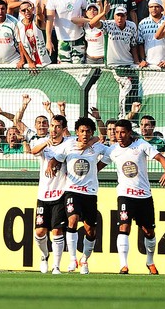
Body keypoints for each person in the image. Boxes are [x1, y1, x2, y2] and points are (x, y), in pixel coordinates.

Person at [102, 119, 165, 275]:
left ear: (129, 132)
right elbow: (98, 166)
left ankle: (150, 261)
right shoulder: (112, 150)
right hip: (125, 195)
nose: (118, 135)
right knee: (124, 227)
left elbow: (161, 158)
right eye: (116, 132)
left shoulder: (141, 145)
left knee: (149, 231)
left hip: (144, 195)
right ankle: (123, 265)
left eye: (122, 132)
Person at [46, 117, 107, 275]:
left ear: (92, 132)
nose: (85, 134)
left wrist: (97, 168)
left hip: (90, 193)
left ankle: (84, 259)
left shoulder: (98, 147)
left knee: (90, 230)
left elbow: (110, 154)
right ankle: (72, 258)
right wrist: (50, 166)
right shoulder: (69, 145)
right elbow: (56, 157)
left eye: (88, 131)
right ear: (77, 132)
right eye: (82, 131)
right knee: (72, 220)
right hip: (72, 190)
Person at [31, 114, 69, 275]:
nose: (53, 129)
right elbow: (33, 151)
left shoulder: (69, 143)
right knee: (39, 231)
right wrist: (46, 143)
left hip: (60, 193)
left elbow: (92, 139)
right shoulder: (43, 142)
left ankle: (56, 266)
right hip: (43, 194)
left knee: (57, 231)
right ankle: (44, 255)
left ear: (63, 129)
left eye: (57, 126)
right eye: (52, 126)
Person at [45, 0, 87, 64]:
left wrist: (83, 21)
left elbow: (85, 12)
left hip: (78, 38)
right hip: (62, 40)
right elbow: (49, 20)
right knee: (65, 69)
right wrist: (48, 40)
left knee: (80, 68)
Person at [137, 0, 165, 68]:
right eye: (151, 7)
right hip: (148, 64)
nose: (154, 9)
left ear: (162, 8)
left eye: (156, 7)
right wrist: (143, 60)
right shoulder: (142, 23)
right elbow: (140, 44)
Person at [17, 0, 51, 68]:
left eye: (29, 9)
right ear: (20, 12)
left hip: (46, 60)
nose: (27, 12)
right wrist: (29, 61)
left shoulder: (37, 20)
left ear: (32, 9)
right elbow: (21, 44)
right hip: (31, 61)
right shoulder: (19, 25)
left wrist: (37, 6)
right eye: (24, 10)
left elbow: (40, 15)